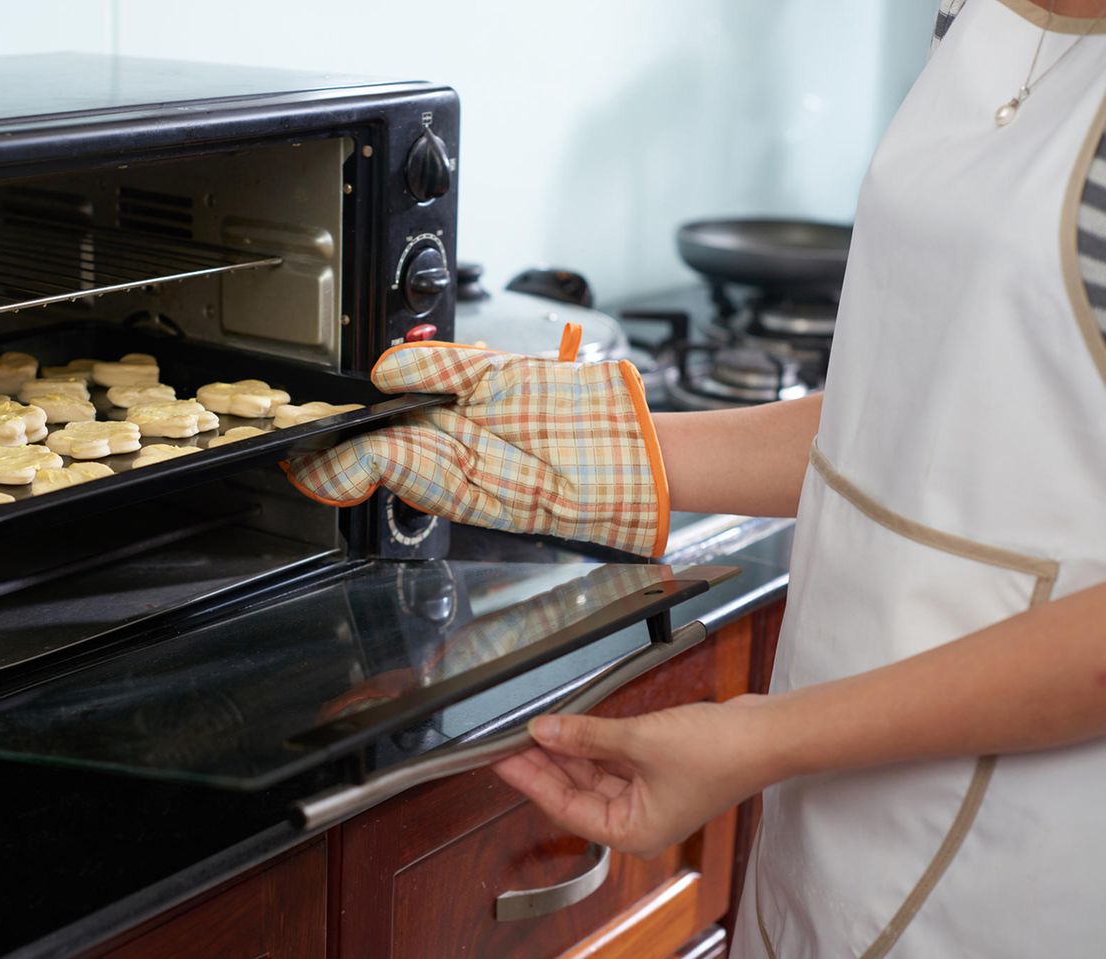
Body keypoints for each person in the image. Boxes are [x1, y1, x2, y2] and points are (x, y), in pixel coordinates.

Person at [286, 0, 1106, 954]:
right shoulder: (971, 17)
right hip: (824, 814)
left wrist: (767, 736)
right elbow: (928, 426)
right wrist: (618, 451)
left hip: (1026, 855)